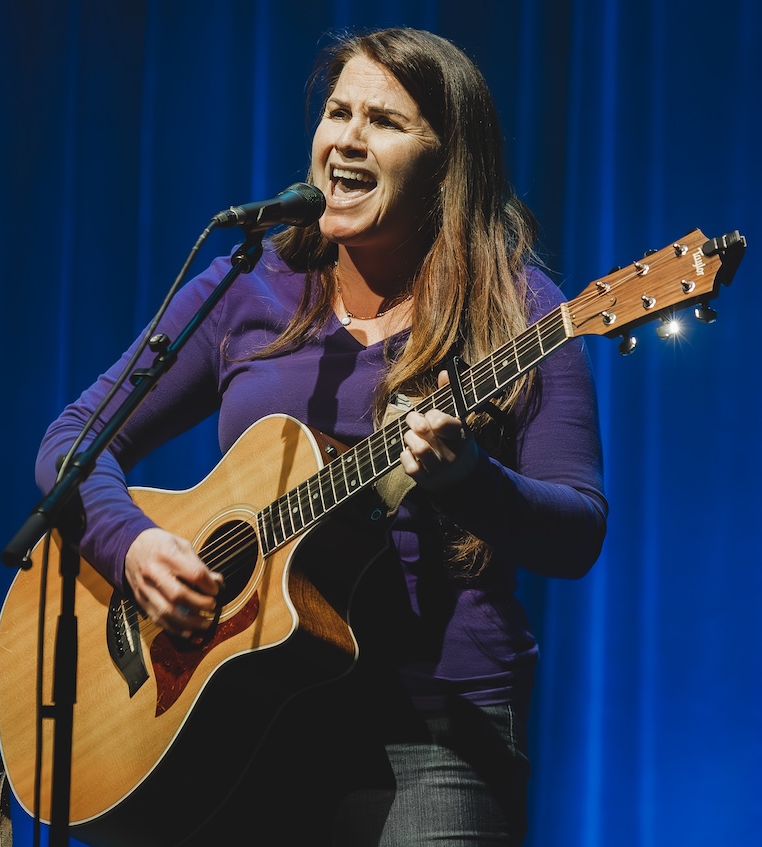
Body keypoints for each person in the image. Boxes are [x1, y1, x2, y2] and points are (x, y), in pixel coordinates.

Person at [35, 27, 607, 846]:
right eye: (338, 112)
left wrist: (470, 481)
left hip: (434, 730)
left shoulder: (522, 310)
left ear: (448, 162)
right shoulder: (252, 288)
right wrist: (133, 547)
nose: (346, 138)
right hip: (242, 721)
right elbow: (75, 440)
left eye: (385, 121)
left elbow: (578, 529)